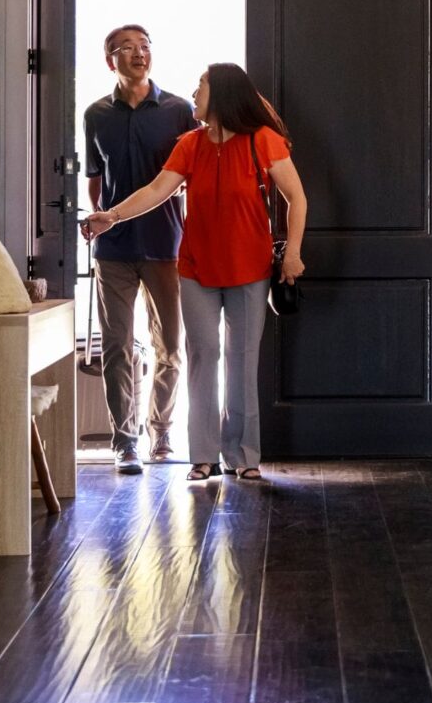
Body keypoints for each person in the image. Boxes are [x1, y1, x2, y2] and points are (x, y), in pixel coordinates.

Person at [83, 63, 306, 483]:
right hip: (197, 270)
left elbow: (297, 198)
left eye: (200, 85)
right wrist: (110, 216)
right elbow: (155, 192)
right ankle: (203, 457)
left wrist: (292, 253)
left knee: (242, 361)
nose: (194, 92)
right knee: (204, 358)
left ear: (220, 94)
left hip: (250, 269)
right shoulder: (190, 144)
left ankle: (244, 456)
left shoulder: (264, 141)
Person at [81, 24, 197, 474]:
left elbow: (190, 174)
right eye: (127, 48)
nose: (138, 53)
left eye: (145, 46)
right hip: (113, 249)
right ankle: (125, 440)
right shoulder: (95, 114)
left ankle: (161, 432)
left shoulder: (178, 110)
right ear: (110, 60)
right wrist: (101, 217)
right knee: (115, 346)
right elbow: (95, 177)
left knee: (170, 344)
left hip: (166, 244)